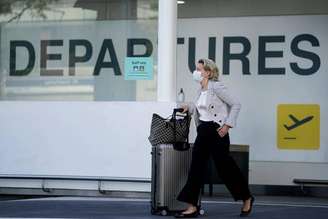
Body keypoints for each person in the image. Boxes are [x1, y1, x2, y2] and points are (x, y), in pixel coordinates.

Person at [175, 59, 254, 218]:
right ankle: (192, 207)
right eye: (196, 69)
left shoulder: (216, 86)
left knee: (225, 169)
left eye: (199, 69)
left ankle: (246, 197)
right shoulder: (200, 90)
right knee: (196, 168)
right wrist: (188, 107)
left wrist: (227, 126)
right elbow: (201, 109)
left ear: (208, 72)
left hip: (216, 131)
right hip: (203, 131)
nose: (196, 72)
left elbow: (236, 104)